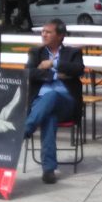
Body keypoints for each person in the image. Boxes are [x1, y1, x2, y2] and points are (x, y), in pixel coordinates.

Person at [24, 18, 84, 184]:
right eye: (43, 31)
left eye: (48, 32)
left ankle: (26, 129)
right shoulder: (35, 53)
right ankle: (49, 170)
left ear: (60, 36)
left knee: (52, 95)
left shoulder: (73, 53)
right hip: (41, 104)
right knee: (49, 118)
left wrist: (53, 63)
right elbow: (28, 74)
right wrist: (56, 75)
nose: (43, 34)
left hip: (66, 103)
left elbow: (78, 69)